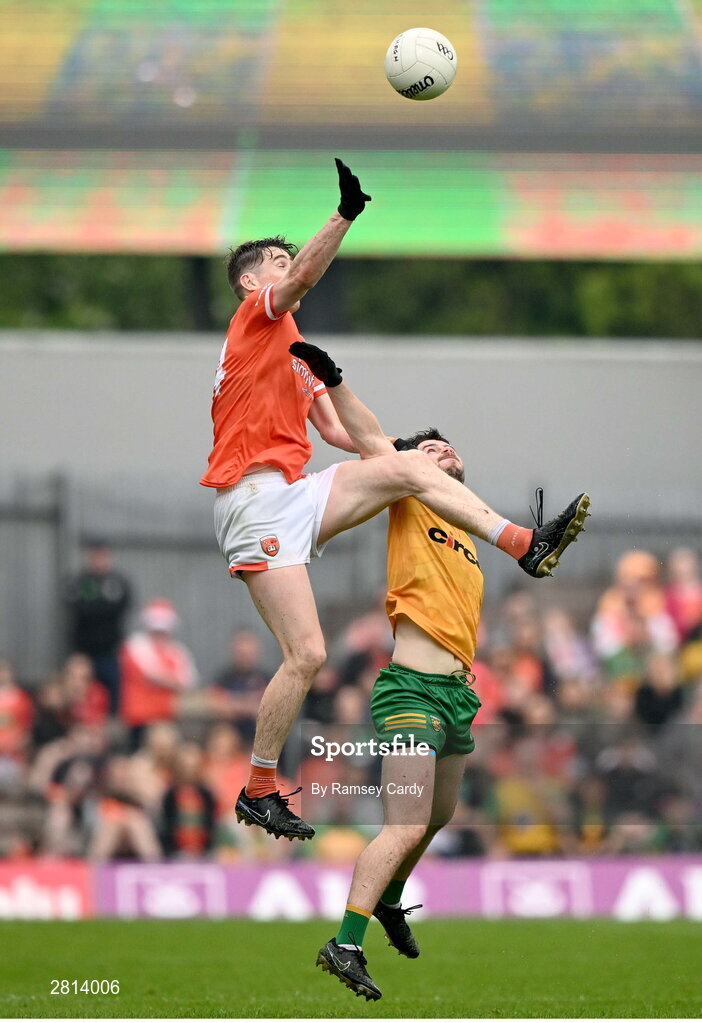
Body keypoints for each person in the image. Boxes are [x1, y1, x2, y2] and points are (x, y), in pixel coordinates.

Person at [201, 158, 590, 843]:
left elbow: (351, 436)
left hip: (290, 494)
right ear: (248, 282)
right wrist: (345, 213)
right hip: (254, 502)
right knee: (308, 656)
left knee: (403, 468)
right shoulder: (255, 316)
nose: (286, 261)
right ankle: (259, 785)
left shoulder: (289, 343)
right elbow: (302, 278)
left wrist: (418, 463)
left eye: (286, 254)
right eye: (272, 258)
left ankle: (525, 545)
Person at [291, 342, 585, 1000]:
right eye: (433, 448)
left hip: (456, 693)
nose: (445, 452)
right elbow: (360, 433)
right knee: (402, 822)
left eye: (451, 449)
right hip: (411, 689)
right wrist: (330, 380)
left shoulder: (464, 526)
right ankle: (345, 942)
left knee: (438, 814)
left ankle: (391, 899)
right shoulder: (408, 492)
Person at [64, 537, 132, 713]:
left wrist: (95, 605)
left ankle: (111, 722)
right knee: (79, 687)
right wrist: (101, 606)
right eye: (96, 556)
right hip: (83, 649)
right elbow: (79, 608)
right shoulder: (81, 581)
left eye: (103, 556)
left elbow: (119, 607)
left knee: (114, 685)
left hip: (109, 650)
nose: (99, 561)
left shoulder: (118, 582)